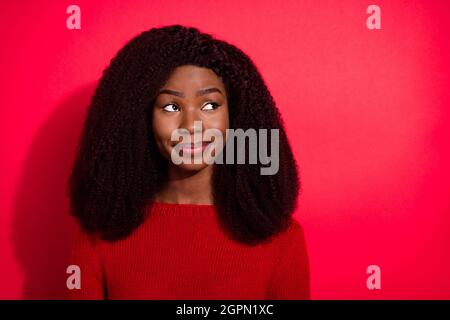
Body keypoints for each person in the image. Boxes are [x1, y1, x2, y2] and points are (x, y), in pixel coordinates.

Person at [66, 24, 310, 299]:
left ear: (235, 116)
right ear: (141, 119)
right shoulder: (100, 233)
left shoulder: (280, 239)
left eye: (210, 106)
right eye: (171, 107)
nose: (192, 125)